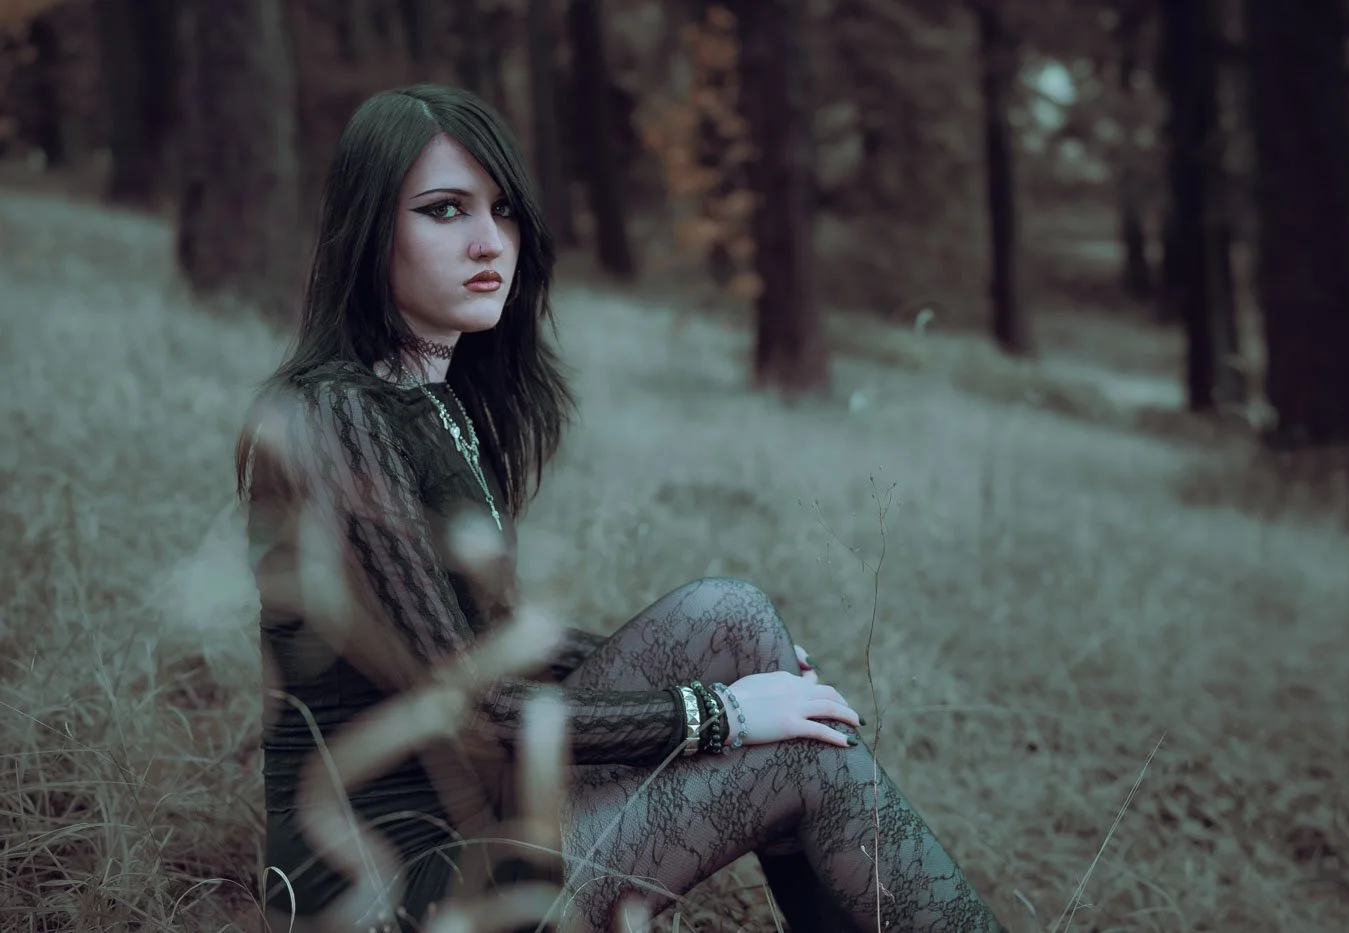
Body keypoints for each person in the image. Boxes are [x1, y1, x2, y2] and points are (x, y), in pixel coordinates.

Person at [236, 83, 1007, 933]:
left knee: (734, 618)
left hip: (482, 812)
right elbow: (476, 707)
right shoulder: (334, 415)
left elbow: (489, 642)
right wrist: (722, 712)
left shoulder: (433, 402)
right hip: (396, 887)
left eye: (504, 210)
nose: (490, 241)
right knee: (795, 753)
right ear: (368, 226)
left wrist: (728, 681)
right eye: (445, 210)